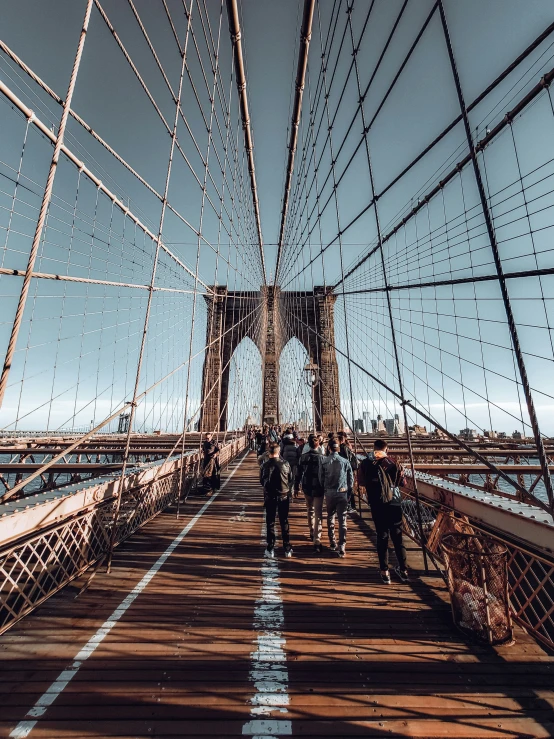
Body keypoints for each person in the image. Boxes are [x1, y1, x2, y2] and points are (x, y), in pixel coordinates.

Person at [358, 439, 408, 584]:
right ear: (387, 449)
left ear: (374, 448)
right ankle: (403, 570)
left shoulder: (366, 462)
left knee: (382, 536)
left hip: (377, 503)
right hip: (394, 503)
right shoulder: (392, 462)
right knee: (398, 537)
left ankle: (384, 572)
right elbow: (402, 483)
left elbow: (360, 482)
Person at [319, 439, 353, 557]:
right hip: (342, 493)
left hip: (329, 493)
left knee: (330, 517)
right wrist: (348, 492)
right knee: (342, 519)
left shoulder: (324, 461)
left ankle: (332, 541)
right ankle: (342, 545)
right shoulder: (345, 461)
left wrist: (325, 489)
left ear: (328, 448)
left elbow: (320, 478)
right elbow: (351, 480)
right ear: (338, 449)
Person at [260, 442, 293, 558]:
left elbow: (261, 481)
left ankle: (270, 547)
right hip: (284, 497)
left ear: (269, 452)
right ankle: (287, 547)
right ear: (279, 452)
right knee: (284, 521)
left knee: (270, 522)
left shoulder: (264, 466)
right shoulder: (286, 464)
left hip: (270, 497)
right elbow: (290, 479)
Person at [295, 435, 324, 553]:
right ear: (318, 446)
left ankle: (311, 531)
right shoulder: (323, 458)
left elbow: (298, 473)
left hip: (306, 487)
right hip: (319, 488)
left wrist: (296, 487)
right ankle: (317, 540)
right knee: (318, 513)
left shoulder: (303, 457)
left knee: (310, 510)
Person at [337, 431, 359, 512]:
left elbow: (345, 460)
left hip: (346, 470)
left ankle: (348, 505)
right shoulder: (347, 446)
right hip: (349, 469)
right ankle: (351, 505)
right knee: (349, 487)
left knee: (347, 487)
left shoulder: (343, 447)